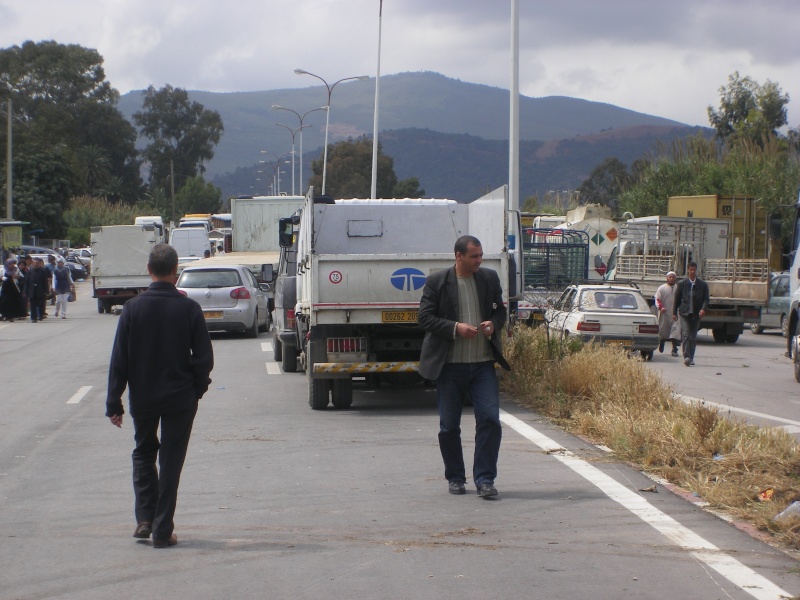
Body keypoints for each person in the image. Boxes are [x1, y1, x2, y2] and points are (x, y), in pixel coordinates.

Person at [106, 243, 214, 548]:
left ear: (149, 270)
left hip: (143, 397)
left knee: (143, 452)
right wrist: (197, 388)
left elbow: (120, 360)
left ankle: (144, 518)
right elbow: (204, 357)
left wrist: (114, 401)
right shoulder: (188, 308)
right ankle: (162, 528)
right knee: (170, 460)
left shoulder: (132, 308)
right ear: (175, 271)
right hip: (180, 397)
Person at [418, 235, 511, 498]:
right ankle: (456, 478)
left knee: (490, 420)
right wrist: (455, 328)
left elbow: (500, 311)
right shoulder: (438, 281)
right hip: (450, 366)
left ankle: (484, 479)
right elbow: (424, 318)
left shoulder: (489, 279)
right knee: (449, 426)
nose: (479, 261)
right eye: (474, 257)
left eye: (481, 255)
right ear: (459, 256)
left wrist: (494, 323)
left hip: (482, 365)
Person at [673, 261, 709, 367]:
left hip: (696, 314)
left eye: (694, 270)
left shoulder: (702, 285)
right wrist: (674, 313)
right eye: (691, 270)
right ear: (688, 270)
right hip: (684, 313)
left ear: (696, 270)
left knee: (693, 336)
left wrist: (703, 309)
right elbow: (677, 299)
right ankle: (686, 357)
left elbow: (706, 300)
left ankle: (691, 357)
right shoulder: (682, 284)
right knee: (686, 335)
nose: (693, 272)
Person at [654, 271, 681, 356]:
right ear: (667, 278)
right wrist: (661, 307)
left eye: (673, 277)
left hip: (675, 313)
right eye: (670, 277)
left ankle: (674, 349)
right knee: (663, 330)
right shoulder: (662, 288)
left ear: (675, 278)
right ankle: (662, 342)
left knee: (675, 331)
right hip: (665, 313)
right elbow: (657, 299)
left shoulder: (678, 288)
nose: (671, 279)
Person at [24, 257, 50, 322]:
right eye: (34, 263)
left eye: (37, 263)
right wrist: (26, 291)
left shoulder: (43, 271)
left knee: (40, 304)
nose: (35, 264)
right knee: (32, 305)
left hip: (40, 291)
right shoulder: (30, 271)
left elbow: (45, 282)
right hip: (32, 291)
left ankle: (40, 315)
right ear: (33, 263)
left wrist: (47, 291)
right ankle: (33, 318)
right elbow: (27, 282)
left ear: (39, 264)